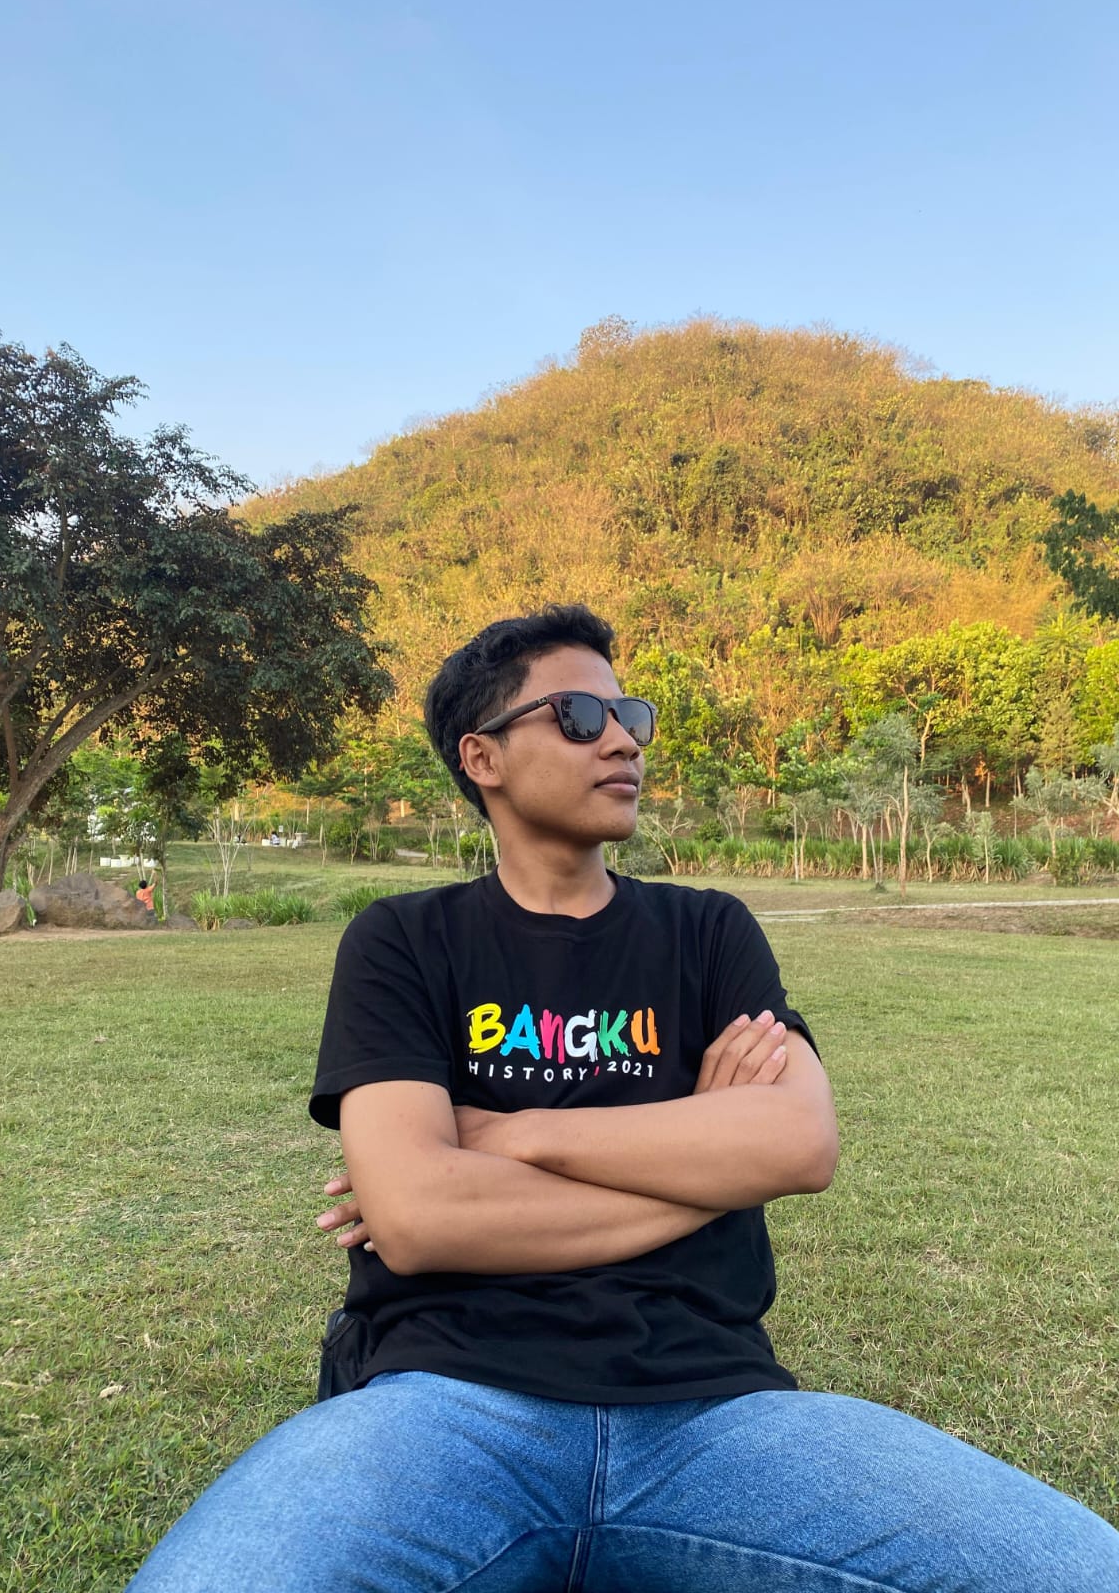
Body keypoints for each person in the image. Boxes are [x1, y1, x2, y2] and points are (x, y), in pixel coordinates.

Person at [128, 605, 1119, 1591]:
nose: (622, 741)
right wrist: (709, 1167)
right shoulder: (402, 940)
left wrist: (514, 1133)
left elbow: (799, 1145)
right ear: (482, 756)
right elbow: (420, 1219)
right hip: (445, 1404)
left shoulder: (708, 932)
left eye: (629, 716)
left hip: (716, 1415)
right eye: (577, 716)